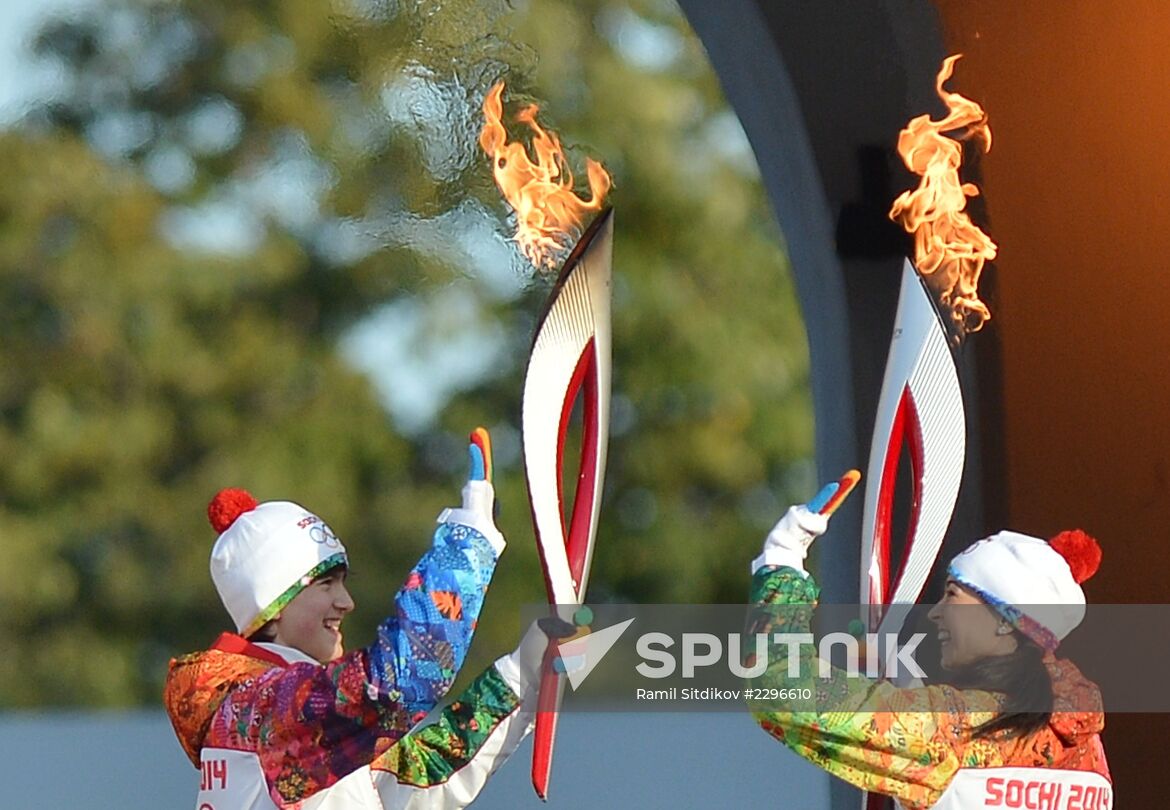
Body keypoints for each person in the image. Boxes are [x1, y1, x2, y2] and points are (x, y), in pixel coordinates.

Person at [164, 431, 563, 809]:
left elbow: (419, 780)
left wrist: (524, 676)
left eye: (343, 582)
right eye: (326, 584)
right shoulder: (262, 712)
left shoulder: (289, 726)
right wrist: (470, 542)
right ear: (275, 605)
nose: (346, 602)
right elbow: (401, 680)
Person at [746, 495, 1112, 809]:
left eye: (952, 594)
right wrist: (906, 688)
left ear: (1004, 620)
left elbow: (782, 688)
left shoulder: (955, 730)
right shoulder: (1086, 744)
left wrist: (782, 562)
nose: (936, 612)